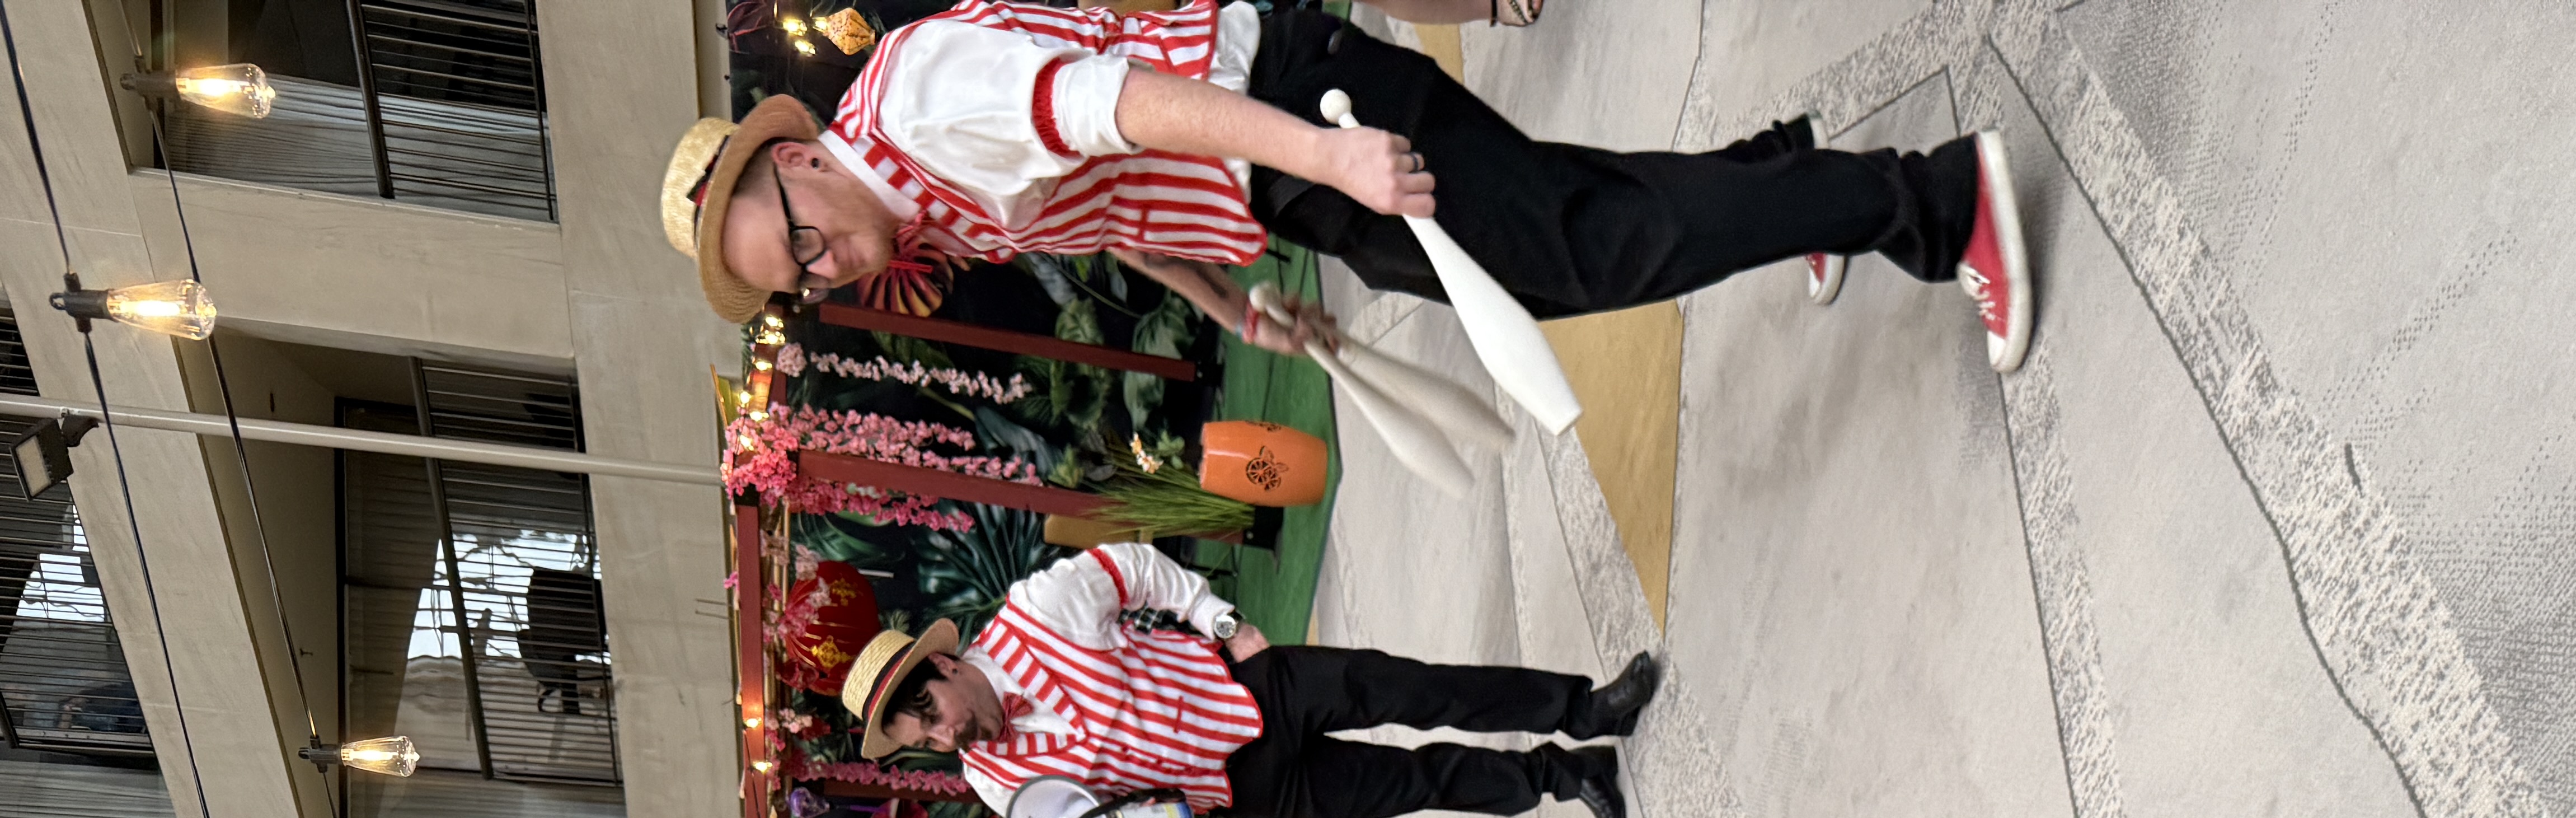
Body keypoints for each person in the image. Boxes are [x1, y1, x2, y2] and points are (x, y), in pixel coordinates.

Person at [659, 0, 2030, 371]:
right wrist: (1235, 308)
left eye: (803, 249)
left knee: (1583, 251)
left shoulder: (911, 102)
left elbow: (1111, 102)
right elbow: (1096, 201)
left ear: (791, 162)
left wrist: (1330, 154)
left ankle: (1932, 201)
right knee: (1565, 234)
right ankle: (1777, 181)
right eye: (810, 289)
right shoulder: (907, 195)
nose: (832, 272)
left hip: (1303, 119)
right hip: (1281, 180)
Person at [836, 544, 1651, 818]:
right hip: (1239, 787)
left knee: (1427, 690)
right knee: (1415, 785)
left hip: (1254, 685)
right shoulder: (990, 778)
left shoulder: (1035, 612)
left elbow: (1134, 571)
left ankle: (1585, 710)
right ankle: (1564, 775)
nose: (944, 742)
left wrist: (1224, 622)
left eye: (931, 718)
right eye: (923, 742)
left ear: (939, 671)